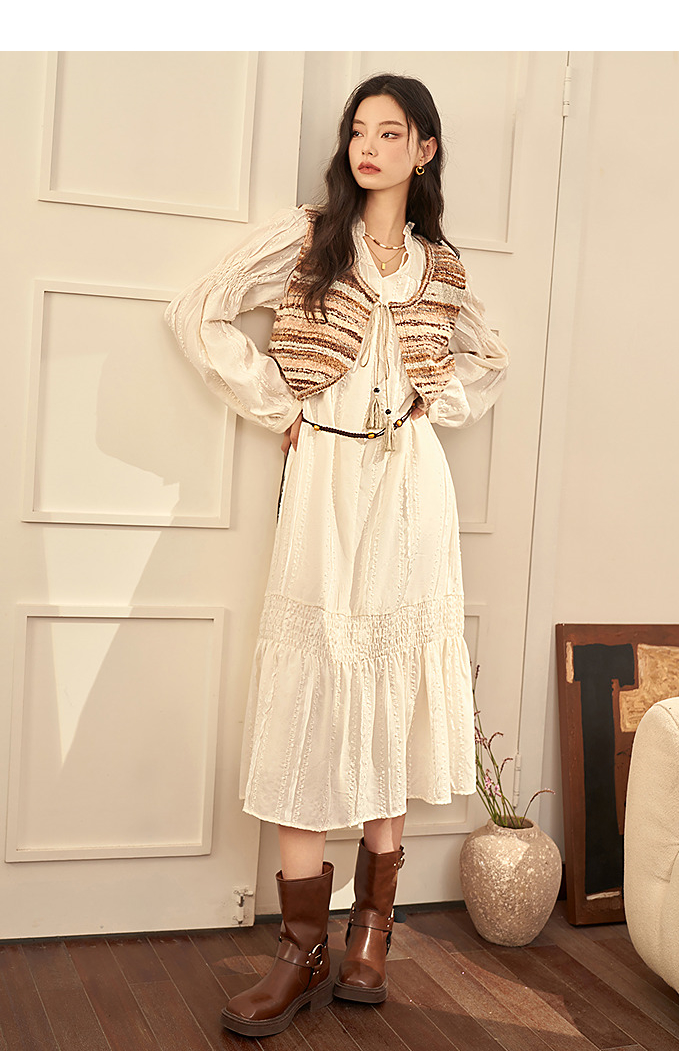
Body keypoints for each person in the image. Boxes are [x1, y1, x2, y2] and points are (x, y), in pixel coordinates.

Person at [165, 72, 509, 1038]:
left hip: (412, 490)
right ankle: (299, 948)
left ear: (424, 151)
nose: (368, 147)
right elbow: (198, 310)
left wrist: (434, 400)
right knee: (310, 694)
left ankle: (371, 938)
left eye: (391, 133)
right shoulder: (311, 238)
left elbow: (490, 357)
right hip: (324, 480)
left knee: (391, 693)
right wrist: (282, 404)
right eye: (359, 130)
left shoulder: (442, 267)